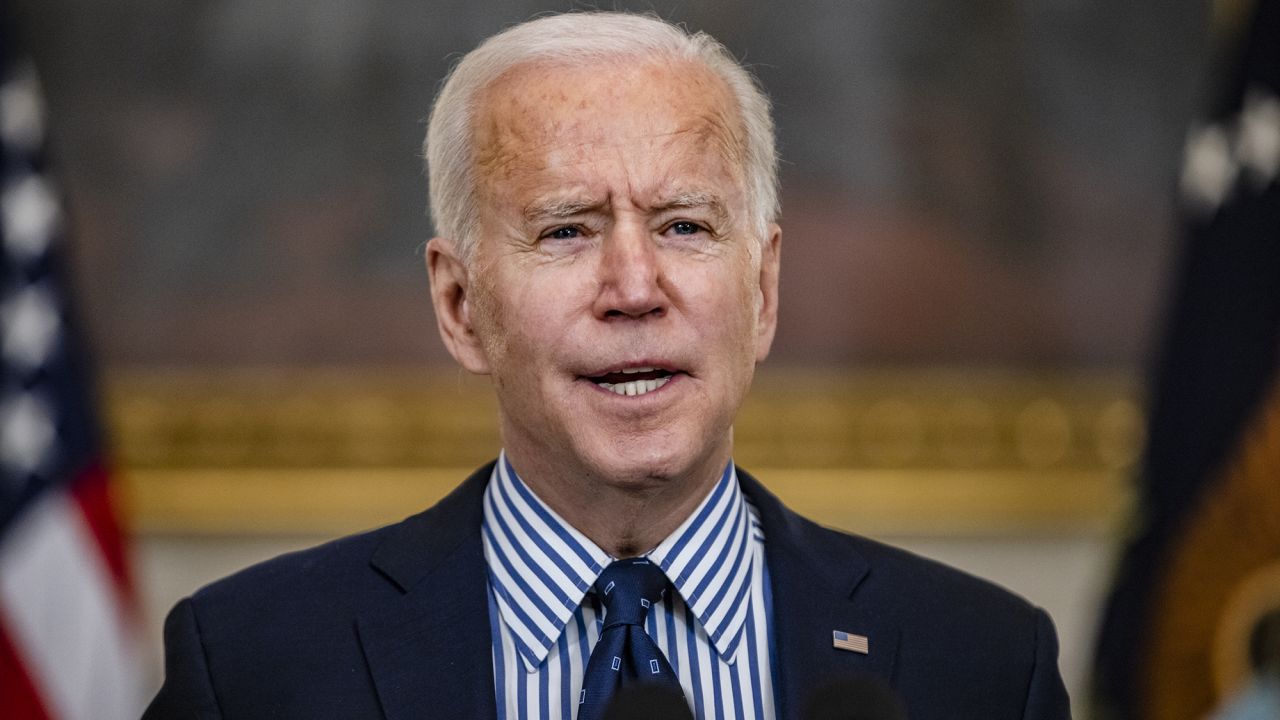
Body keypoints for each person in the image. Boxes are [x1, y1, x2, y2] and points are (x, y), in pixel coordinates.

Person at [145, 12, 1071, 719]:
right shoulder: (254, 665)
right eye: (565, 231)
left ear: (763, 290)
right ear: (460, 306)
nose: (634, 286)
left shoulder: (982, 662)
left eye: (684, 226)